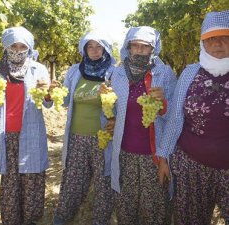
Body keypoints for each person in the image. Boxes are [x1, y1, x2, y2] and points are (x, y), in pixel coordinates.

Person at [157, 10, 229, 225]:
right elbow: (176, 119)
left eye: (225, 37)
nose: (218, 44)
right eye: (211, 39)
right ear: (202, 43)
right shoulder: (190, 73)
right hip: (191, 167)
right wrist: (163, 156)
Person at [110, 26, 177, 225]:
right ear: (128, 48)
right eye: (135, 46)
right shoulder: (119, 73)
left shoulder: (164, 73)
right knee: (126, 205)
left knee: (154, 208)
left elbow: (174, 116)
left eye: (145, 46)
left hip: (153, 155)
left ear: (153, 49)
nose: (139, 50)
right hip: (125, 153)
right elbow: (114, 109)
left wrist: (163, 103)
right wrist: (109, 114)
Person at [0, 26, 57, 225]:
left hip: (31, 132)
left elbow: (47, 103)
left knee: (31, 179)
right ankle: (11, 220)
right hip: (8, 135)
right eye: (14, 45)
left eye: (23, 46)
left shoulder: (38, 69)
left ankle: (30, 220)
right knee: (10, 181)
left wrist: (48, 92)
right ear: (6, 46)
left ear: (29, 47)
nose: (18, 49)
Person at [52, 30, 116, 225]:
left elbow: (119, 104)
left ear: (105, 49)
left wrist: (114, 117)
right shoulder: (75, 71)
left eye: (99, 47)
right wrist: (55, 91)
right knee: (73, 180)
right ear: (84, 49)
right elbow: (64, 100)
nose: (95, 51)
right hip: (77, 137)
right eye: (90, 46)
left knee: (103, 183)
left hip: (103, 139)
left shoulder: (115, 72)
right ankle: (61, 218)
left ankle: (100, 220)